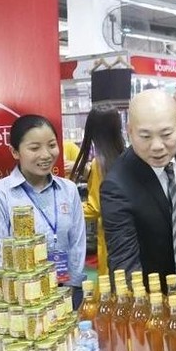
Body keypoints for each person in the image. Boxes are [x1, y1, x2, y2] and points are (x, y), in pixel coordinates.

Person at [101, 90, 176, 293]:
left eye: (166, 134)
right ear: (129, 131)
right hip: (157, 299)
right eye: (145, 136)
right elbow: (125, 265)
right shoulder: (117, 186)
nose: (157, 146)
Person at [0, 115, 87, 309]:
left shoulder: (68, 189)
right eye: (34, 148)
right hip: (20, 303)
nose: (46, 155)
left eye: (51, 145)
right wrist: (30, 300)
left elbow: (77, 243)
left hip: (66, 293)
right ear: (15, 152)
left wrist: (72, 289)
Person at [69, 103, 125, 276]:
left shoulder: (99, 163)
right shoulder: (124, 155)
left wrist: (67, 207)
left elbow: (95, 207)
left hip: (109, 235)